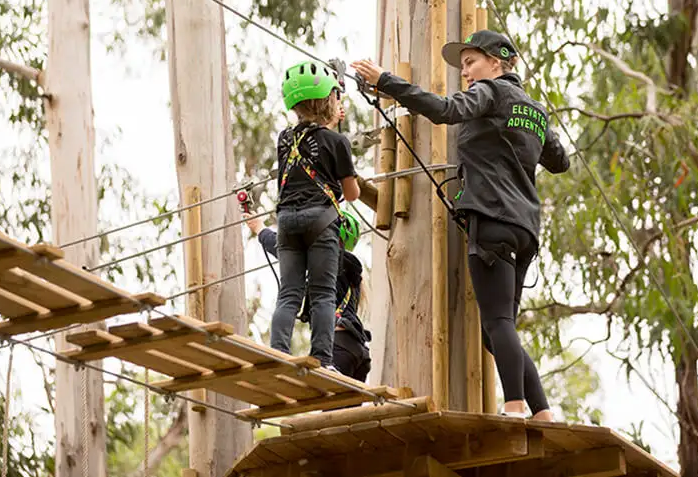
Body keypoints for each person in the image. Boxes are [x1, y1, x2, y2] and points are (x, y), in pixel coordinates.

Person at [351, 30, 570, 420]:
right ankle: (542, 411)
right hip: (525, 229)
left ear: (497, 62)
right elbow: (559, 160)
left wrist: (385, 81)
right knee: (496, 330)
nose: (465, 72)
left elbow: (443, 109)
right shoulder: (535, 110)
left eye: (470, 62)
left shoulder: (491, 93)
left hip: (492, 219)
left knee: (499, 322)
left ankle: (515, 406)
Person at [270, 61, 360, 372]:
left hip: (286, 221)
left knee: (289, 294)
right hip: (320, 220)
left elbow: (309, 147)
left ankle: (278, 352)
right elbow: (351, 194)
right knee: (322, 294)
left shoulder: (284, 139)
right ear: (327, 100)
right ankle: (323, 359)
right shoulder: (337, 141)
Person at [244, 212, 373, 382]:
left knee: (329, 406)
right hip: (358, 351)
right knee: (342, 408)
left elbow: (286, 250)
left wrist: (260, 229)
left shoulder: (330, 259)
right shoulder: (350, 272)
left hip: (338, 345)